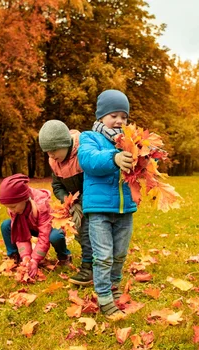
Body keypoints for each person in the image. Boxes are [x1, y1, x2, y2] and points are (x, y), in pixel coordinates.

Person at [78, 89, 137, 319]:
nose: (119, 120)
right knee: (103, 255)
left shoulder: (130, 141)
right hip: (100, 210)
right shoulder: (89, 138)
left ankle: (113, 286)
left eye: (124, 116)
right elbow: (88, 160)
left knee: (120, 253)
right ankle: (103, 297)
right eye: (114, 115)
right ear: (101, 116)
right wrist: (114, 157)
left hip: (125, 208)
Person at [38, 119, 93, 285]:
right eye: (48, 152)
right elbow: (56, 185)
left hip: (90, 200)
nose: (52, 155)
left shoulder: (83, 153)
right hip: (73, 204)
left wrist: (82, 200)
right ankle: (94, 261)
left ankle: (88, 267)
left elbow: (92, 180)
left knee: (88, 233)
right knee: (80, 233)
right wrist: (66, 200)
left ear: (66, 143)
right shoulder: (55, 163)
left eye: (54, 150)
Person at [0, 174, 71, 278]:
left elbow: (44, 236)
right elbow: (20, 234)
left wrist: (35, 259)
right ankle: (15, 256)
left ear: (24, 199)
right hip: (31, 227)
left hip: (49, 227)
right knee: (6, 225)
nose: (11, 210)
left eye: (13, 207)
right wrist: (26, 257)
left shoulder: (41, 205)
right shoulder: (14, 209)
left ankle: (64, 256)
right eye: (8, 207)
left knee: (55, 236)